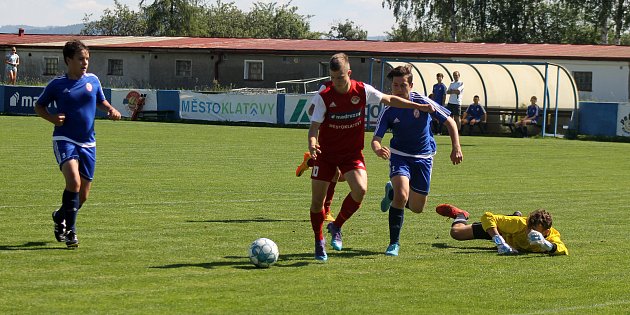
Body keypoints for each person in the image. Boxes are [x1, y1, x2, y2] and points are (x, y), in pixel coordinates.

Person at [307, 53, 436, 261]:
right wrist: (312, 144)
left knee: (360, 190)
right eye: (333, 77)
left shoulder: (362, 90)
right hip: (326, 155)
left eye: (340, 77)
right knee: (317, 204)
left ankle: (336, 225)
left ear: (349, 73)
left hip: (351, 154)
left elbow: (390, 99)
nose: (336, 82)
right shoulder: (325, 96)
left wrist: (418, 106)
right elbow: (313, 129)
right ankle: (318, 239)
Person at [34, 40, 122, 248]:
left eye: (87, 59)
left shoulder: (93, 80)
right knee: (73, 182)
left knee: (82, 196)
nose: (85, 63)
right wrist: (53, 119)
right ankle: (71, 232)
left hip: (88, 143)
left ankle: (60, 216)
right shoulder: (57, 84)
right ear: (68, 60)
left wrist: (110, 109)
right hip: (65, 139)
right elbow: (39, 106)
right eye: (81, 59)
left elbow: (100, 100)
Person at [372, 65, 463, 256]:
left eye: (402, 85)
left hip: (423, 157)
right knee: (402, 195)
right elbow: (375, 139)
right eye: (395, 86)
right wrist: (378, 149)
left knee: (417, 207)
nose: (398, 89)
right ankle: (393, 243)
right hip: (400, 155)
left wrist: (456, 147)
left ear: (411, 85)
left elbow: (450, 122)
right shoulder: (389, 109)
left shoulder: (423, 102)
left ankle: (391, 193)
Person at [435, 204, 568, 255]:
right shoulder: (520, 224)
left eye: (536, 231)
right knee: (456, 233)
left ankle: (512, 215)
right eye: (529, 229)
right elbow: (487, 217)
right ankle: (460, 215)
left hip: (511, 237)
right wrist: (499, 241)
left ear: (546, 232)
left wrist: (546, 245)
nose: (530, 233)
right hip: (502, 232)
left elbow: (562, 249)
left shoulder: (551, 237)